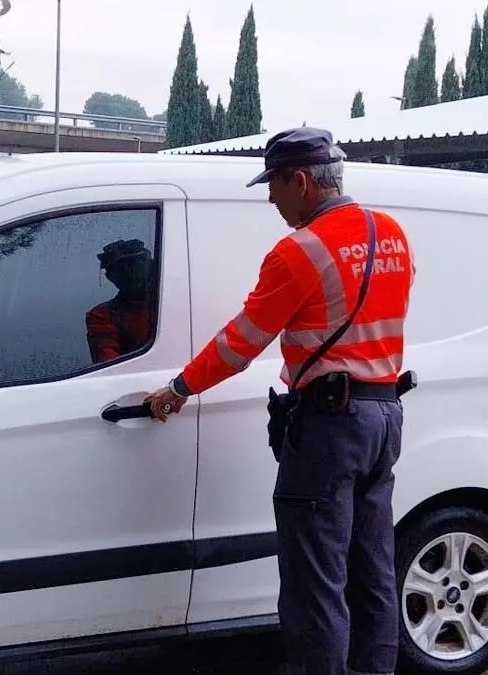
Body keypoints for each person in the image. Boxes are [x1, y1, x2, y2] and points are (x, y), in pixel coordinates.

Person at [144, 127, 415, 675]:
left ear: (302, 183)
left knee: (315, 584)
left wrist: (179, 388)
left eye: (274, 184)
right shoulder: (391, 233)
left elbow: (240, 343)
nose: (270, 198)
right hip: (385, 417)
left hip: (331, 427)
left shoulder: (299, 252)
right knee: (373, 570)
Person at [85, 239, 156, 363]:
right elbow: (108, 361)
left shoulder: (174, 299)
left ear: (151, 266)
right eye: (120, 269)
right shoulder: (102, 315)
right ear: (110, 277)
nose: (129, 273)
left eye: (133, 265)